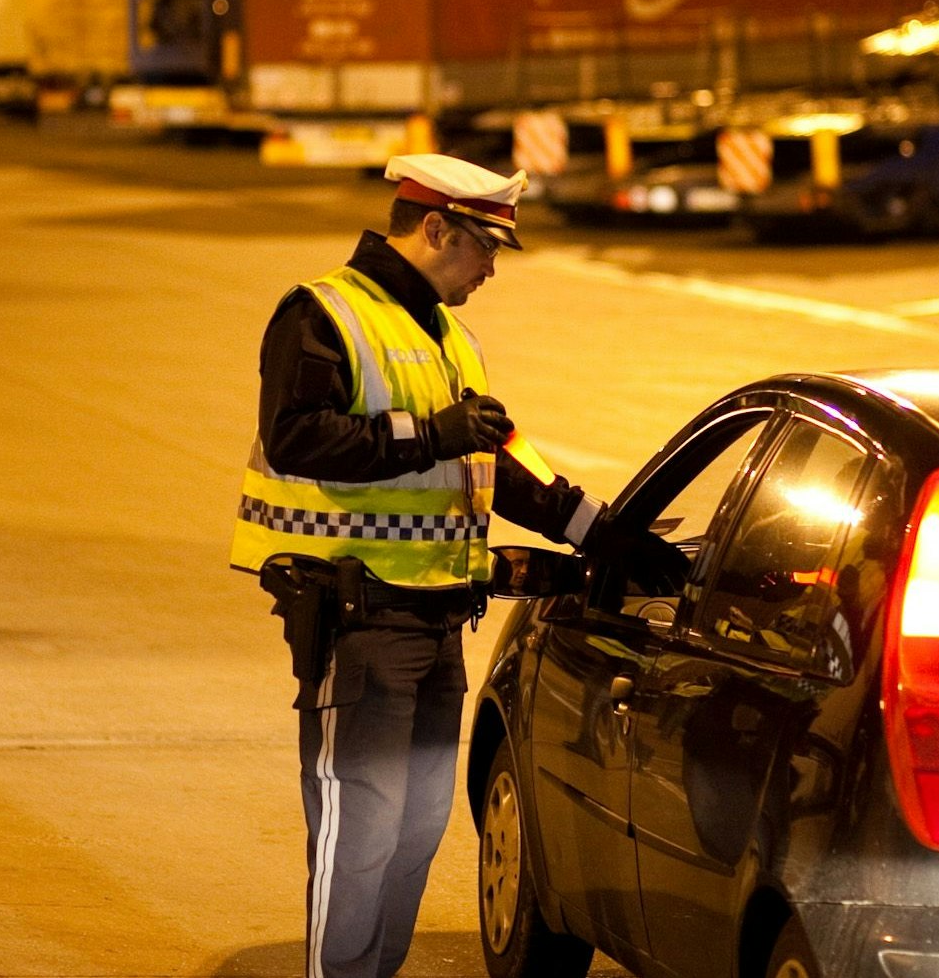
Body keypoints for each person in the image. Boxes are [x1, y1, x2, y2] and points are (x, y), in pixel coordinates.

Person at [231, 152, 684, 978]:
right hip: (360, 621)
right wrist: (428, 435)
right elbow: (296, 436)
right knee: (359, 829)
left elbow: (505, 467)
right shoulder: (323, 314)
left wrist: (604, 535)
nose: (491, 269)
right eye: (486, 248)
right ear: (436, 228)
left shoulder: (450, 338)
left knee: (415, 829)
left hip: (439, 624)